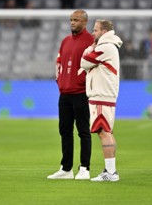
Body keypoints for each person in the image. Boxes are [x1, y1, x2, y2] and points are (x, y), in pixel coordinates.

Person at [47, 9, 94, 180]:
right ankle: (66, 169)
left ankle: (84, 168)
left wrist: (84, 83)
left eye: (76, 20)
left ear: (85, 22)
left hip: (81, 93)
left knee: (83, 131)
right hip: (65, 94)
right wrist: (60, 82)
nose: (72, 22)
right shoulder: (65, 41)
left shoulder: (91, 42)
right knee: (65, 131)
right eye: (71, 19)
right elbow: (59, 62)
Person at [81, 19, 123, 181]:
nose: (93, 33)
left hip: (101, 95)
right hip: (105, 95)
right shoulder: (109, 47)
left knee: (103, 132)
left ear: (104, 32)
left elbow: (84, 62)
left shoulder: (105, 47)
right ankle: (111, 171)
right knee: (107, 132)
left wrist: (89, 49)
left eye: (95, 30)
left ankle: (110, 173)